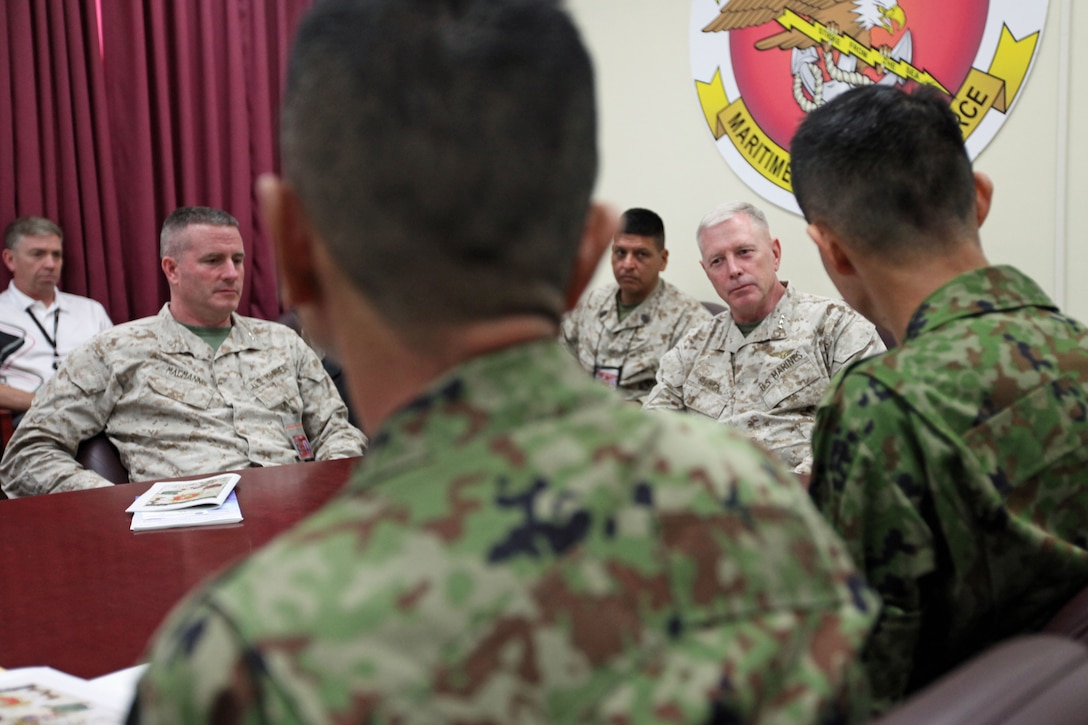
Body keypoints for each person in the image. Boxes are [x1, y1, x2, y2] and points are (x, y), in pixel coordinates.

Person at [129, 1, 877, 722]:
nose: (734, 269)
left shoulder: (238, 664)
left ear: (292, 246)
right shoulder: (766, 515)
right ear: (589, 253)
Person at [790, 84, 1088, 713]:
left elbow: (861, 678)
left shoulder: (880, 409)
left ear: (832, 249)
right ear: (979, 197)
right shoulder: (1078, 347)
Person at [0, 206, 364, 496]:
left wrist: (327, 488)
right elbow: (28, 454)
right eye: (213, 261)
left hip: (295, 518)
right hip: (185, 532)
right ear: (171, 269)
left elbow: (337, 430)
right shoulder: (115, 352)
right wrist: (109, 503)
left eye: (237, 260)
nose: (231, 273)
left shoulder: (284, 343)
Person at [643, 201, 884, 477]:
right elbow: (651, 432)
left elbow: (867, 424)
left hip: (804, 499)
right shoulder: (692, 347)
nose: (733, 270)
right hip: (707, 501)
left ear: (775, 254)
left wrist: (796, 489)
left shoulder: (835, 325)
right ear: (707, 272)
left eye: (744, 252)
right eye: (717, 261)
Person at [560, 207, 710, 403]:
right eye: (620, 252)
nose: (628, 264)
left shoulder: (691, 320)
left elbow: (692, 398)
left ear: (663, 260)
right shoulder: (592, 301)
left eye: (641, 254)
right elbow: (558, 353)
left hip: (643, 425)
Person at [0, 216, 112, 415]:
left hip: (98, 418)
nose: (50, 264)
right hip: (28, 420)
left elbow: (119, 370)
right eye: (38, 254)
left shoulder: (90, 310)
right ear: (10, 259)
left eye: (56, 255)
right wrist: (47, 404)